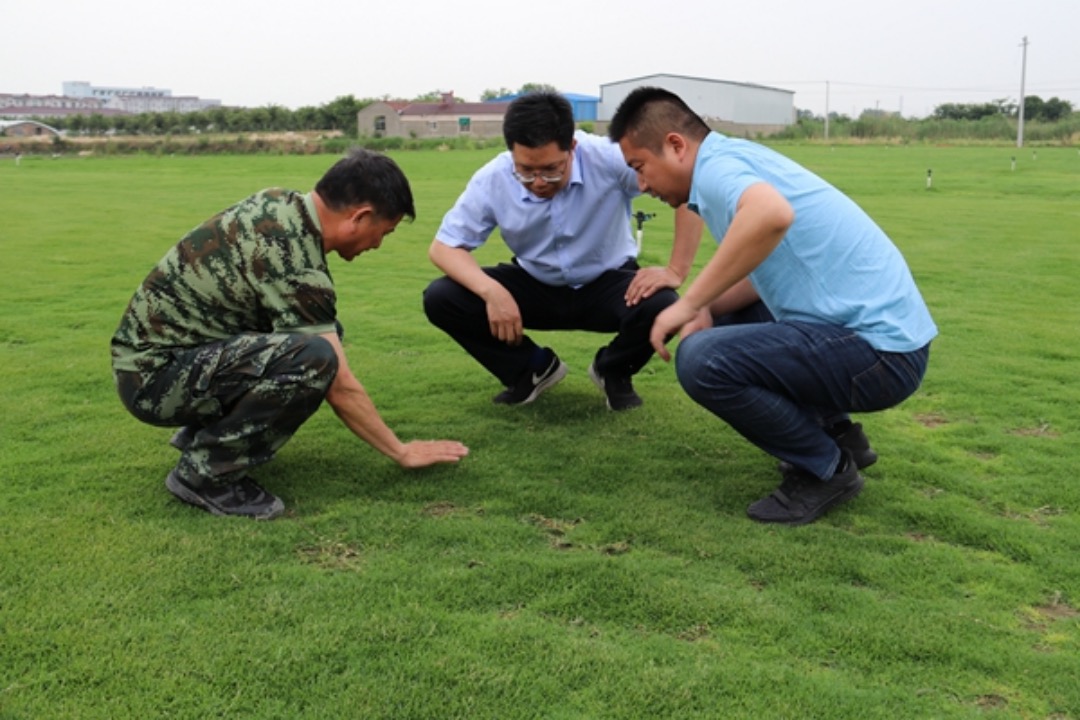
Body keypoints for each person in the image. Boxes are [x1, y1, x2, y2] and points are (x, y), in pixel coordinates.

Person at [608, 87, 937, 525]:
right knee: (721, 317)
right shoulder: (733, 159)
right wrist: (707, 307)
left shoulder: (718, 170)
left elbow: (769, 214)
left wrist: (688, 303)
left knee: (702, 359)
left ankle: (827, 470)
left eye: (640, 167)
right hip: (882, 345)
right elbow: (767, 269)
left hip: (881, 355)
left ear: (675, 145)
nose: (642, 185)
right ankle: (841, 437)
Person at [111, 149, 469, 520]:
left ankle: (206, 433)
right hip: (154, 383)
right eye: (384, 232)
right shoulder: (295, 264)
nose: (377, 245)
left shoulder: (280, 205)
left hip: (154, 363)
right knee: (315, 357)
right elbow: (341, 385)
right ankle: (206, 475)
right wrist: (401, 451)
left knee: (316, 336)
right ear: (359, 217)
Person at [422, 92, 702, 411]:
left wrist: (675, 270)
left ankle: (613, 370)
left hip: (608, 283)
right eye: (525, 171)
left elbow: (689, 187)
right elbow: (444, 247)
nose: (539, 182)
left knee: (663, 304)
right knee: (442, 297)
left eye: (551, 170)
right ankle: (531, 368)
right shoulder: (493, 179)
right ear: (511, 152)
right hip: (534, 284)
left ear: (572, 147)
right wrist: (492, 293)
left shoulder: (610, 157)